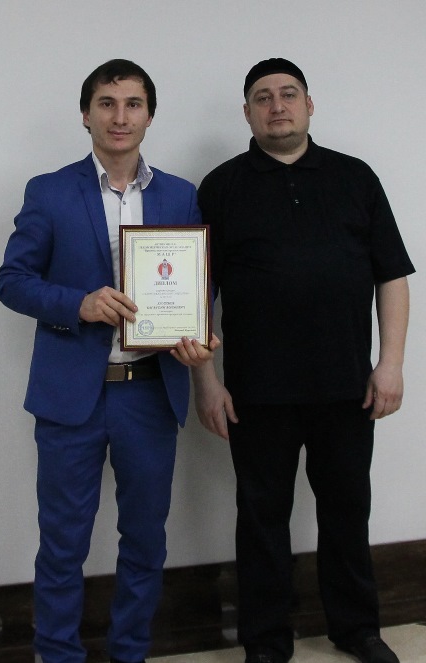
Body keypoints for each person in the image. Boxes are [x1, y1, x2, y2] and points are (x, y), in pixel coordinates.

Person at [192, 58, 413, 663]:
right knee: (261, 517)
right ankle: (266, 641)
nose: (277, 106)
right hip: (255, 390)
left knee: (347, 511)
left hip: (348, 384)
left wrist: (391, 364)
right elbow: (192, 295)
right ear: (247, 113)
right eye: (263, 98)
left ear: (309, 105)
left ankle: (356, 629)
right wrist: (205, 382)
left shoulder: (355, 178)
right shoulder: (221, 187)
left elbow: (392, 276)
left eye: (288, 94)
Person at [0, 59, 218, 663]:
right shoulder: (49, 191)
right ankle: (57, 654)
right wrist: (80, 303)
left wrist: (195, 337)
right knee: (63, 544)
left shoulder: (180, 194)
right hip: (72, 395)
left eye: (133, 104)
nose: (120, 117)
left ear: (149, 115)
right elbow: (12, 281)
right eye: (107, 103)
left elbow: (198, 285)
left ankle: (129, 653)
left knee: (145, 541)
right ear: (86, 114)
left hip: (150, 393)